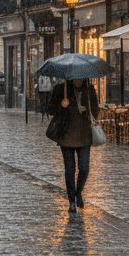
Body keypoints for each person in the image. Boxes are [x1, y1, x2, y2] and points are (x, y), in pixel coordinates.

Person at [49, 77, 98, 213]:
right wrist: (61, 105)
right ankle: (71, 201)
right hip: (66, 136)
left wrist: (87, 111)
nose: (78, 81)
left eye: (81, 78)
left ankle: (78, 191)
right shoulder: (60, 90)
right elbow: (50, 109)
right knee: (70, 170)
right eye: (75, 78)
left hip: (84, 136)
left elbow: (95, 110)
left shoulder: (89, 91)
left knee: (84, 168)